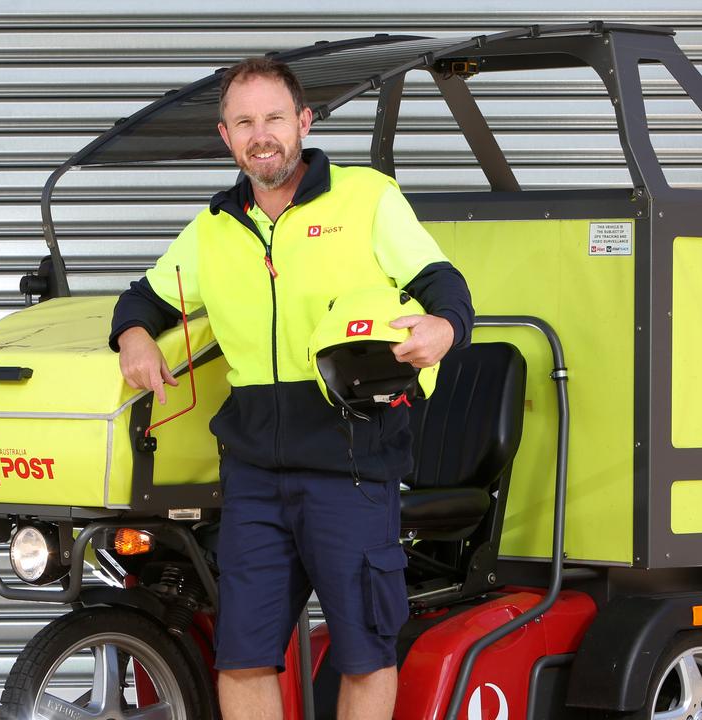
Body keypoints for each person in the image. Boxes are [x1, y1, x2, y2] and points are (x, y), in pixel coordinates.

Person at [109, 57, 473, 720]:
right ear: (226, 136)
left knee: (365, 652)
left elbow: (443, 283)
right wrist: (133, 335)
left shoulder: (367, 200)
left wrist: (444, 329)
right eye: (244, 122)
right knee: (243, 657)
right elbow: (145, 298)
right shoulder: (213, 229)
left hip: (350, 462)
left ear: (303, 122)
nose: (261, 134)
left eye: (274, 117)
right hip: (254, 474)